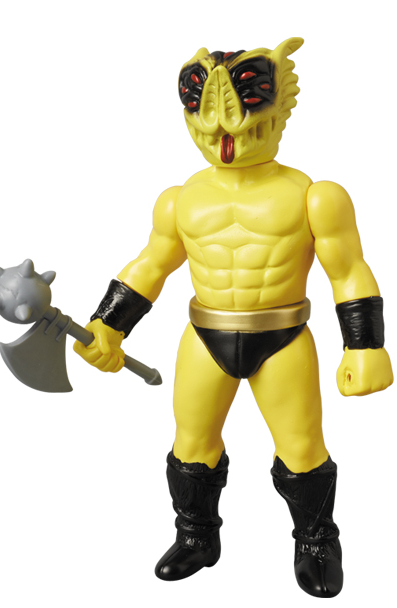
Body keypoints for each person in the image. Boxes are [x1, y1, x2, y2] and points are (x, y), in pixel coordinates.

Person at [74, 38, 393, 598]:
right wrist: (107, 323)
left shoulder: (315, 196)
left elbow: (348, 271)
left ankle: (316, 541)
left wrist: (365, 345)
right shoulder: (180, 200)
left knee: (301, 447)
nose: (223, 134)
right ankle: (196, 535)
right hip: (205, 335)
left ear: (279, 108)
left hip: (282, 336)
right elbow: (151, 265)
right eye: (206, 118)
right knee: (191, 444)